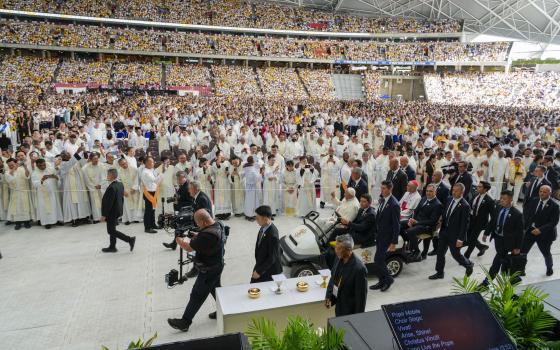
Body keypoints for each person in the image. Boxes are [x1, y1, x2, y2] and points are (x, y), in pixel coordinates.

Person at [168, 209, 225, 332]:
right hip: (217, 265)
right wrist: (196, 235)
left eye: (198, 223)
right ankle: (225, 310)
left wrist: (179, 240)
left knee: (197, 295)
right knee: (216, 290)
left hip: (208, 270)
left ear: (204, 222)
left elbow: (188, 247)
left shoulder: (207, 236)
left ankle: (185, 322)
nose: (197, 225)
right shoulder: (218, 224)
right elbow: (205, 238)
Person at [429, 183, 474, 280]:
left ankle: (468, 265)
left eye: (456, 191)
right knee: (440, 253)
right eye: (453, 190)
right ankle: (439, 272)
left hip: (455, 235)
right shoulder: (449, 199)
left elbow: (464, 224)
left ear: (462, 192)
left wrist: (460, 239)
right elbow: (446, 212)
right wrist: (440, 222)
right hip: (444, 231)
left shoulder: (465, 206)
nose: (453, 192)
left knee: (456, 255)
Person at [481, 190, 523, 284]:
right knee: (504, 259)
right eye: (501, 198)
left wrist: (517, 247)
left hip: (507, 241)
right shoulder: (498, 208)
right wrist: (486, 233)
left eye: (504, 199)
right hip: (498, 239)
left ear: (510, 200)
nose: (501, 200)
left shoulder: (517, 214)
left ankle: (487, 281)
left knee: (497, 260)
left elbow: (520, 233)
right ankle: (514, 278)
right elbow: (492, 221)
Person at [325, 234, 368, 317]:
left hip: (350, 312)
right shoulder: (338, 258)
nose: (336, 250)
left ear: (348, 250)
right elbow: (333, 278)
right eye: (336, 246)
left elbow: (361, 299)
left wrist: (357, 319)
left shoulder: (359, 269)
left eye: (339, 248)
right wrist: (329, 297)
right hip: (339, 307)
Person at [521, 185, 559, 276]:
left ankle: (549, 268)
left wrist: (540, 230)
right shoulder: (534, 201)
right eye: (540, 191)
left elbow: (553, 222)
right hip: (531, 231)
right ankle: (521, 269)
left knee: (546, 252)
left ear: (550, 193)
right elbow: (528, 215)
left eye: (544, 192)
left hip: (545, 234)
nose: (542, 193)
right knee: (523, 251)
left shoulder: (555, 206)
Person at [163, 180, 212, 252]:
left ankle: (183, 244)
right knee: (179, 223)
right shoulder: (198, 195)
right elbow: (194, 208)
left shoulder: (202, 198)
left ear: (195, 189)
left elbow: (204, 215)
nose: (188, 191)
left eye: (190, 189)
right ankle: (175, 243)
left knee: (180, 226)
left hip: (204, 223)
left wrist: (190, 218)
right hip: (198, 219)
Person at [370, 181, 400, 292]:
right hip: (380, 235)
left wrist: (394, 242)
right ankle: (381, 281)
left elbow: (397, 225)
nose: (381, 190)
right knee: (378, 260)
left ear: (390, 189)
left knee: (378, 260)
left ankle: (388, 279)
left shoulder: (394, 204)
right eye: (381, 188)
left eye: (383, 188)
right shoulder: (383, 200)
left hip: (387, 237)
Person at [404, 184, 443, 261]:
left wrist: (417, 222)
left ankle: (416, 251)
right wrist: (411, 220)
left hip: (427, 227)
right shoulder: (424, 198)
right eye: (427, 191)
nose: (428, 193)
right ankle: (407, 248)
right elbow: (416, 211)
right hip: (417, 223)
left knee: (410, 231)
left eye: (431, 191)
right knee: (401, 225)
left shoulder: (438, 205)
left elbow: (432, 221)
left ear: (435, 192)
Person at [100, 168, 136, 253]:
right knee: (113, 229)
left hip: (111, 212)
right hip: (117, 210)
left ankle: (130, 239)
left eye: (108, 174)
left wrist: (104, 215)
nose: (107, 176)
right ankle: (112, 246)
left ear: (112, 175)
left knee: (111, 230)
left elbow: (108, 203)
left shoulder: (112, 187)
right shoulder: (120, 184)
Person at [251, 205, 282, 283]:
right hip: (261, 263)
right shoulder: (263, 227)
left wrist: (259, 271)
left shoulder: (273, 234)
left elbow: (272, 257)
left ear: (265, 218)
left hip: (269, 270)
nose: (256, 220)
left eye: (258, 218)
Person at [464, 181, 493, 259]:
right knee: (469, 236)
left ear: (485, 189)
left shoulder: (489, 200)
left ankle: (466, 255)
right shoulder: (476, 195)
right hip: (471, 219)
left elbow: (493, 217)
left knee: (472, 238)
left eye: (480, 187)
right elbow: (470, 206)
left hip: (480, 223)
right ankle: (481, 247)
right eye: (478, 186)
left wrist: (487, 231)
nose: (477, 188)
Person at [31, 158, 63, 229]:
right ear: (37, 165)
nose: (43, 166)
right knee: (44, 208)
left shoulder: (50, 169)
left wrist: (57, 178)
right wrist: (42, 180)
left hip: (52, 193)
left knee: (55, 206)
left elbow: (57, 177)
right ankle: (47, 222)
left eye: (44, 165)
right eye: (40, 165)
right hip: (42, 194)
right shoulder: (34, 173)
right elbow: (34, 184)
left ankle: (57, 220)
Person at [141, 157, 162, 233]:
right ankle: (147, 227)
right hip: (148, 193)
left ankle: (153, 224)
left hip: (154, 192)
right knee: (148, 211)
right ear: (146, 163)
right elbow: (155, 180)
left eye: (153, 162)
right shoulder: (145, 172)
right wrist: (161, 174)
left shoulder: (152, 170)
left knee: (153, 210)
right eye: (151, 162)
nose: (153, 163)